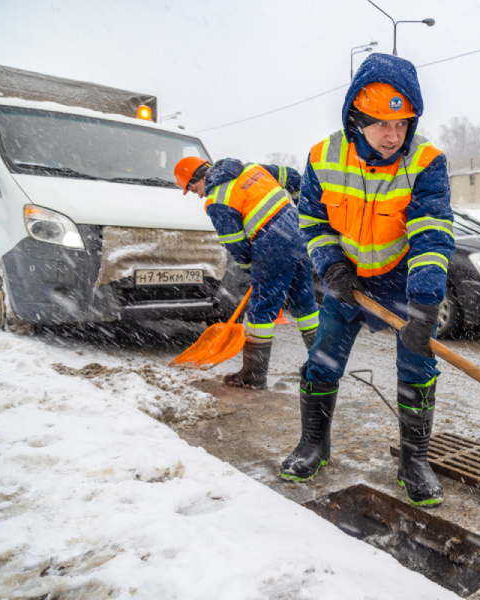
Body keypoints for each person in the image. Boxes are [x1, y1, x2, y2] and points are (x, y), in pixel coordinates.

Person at [280, 54, 455, 507]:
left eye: (402, 124)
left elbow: (431, 235)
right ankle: (313, 445)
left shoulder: (426, 161)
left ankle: (414, 462)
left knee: (418, 368)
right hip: (348, 278)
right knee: (322, 362)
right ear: (356, 119)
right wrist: (332, 267)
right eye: (382, 124)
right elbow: (314, 223)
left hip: (401, 279)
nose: (394, 136)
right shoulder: (323, 158)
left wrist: (424, 305)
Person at [174, 157, 319, 390]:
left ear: (198, 178)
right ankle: (322, 364)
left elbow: (235, 242)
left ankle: (253, 375)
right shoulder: (252, 169)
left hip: (272, 247)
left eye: (193, 190)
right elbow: (294, 177)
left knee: (262, 310)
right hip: (298, 239)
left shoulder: (217, 200)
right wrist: (299, 210)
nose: (199, 195)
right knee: (305, 305)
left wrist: (249, 266)